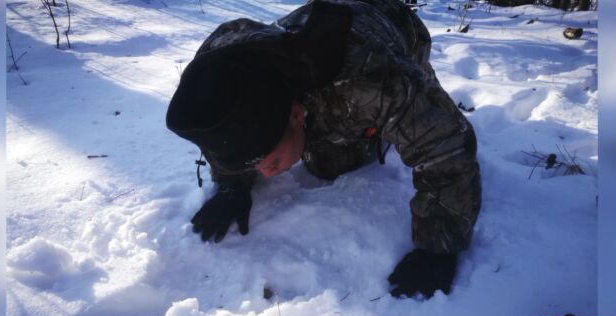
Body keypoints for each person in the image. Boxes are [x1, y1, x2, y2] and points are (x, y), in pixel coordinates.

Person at [166, 0, 482, 299]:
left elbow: (446, 142)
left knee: (402, 116)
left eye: (271, 160)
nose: (266, 173)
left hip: (395, 27)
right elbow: (222, 135)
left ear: (296, 114)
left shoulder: (369, 81)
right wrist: (232, 182)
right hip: (312, 44)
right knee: (327, 162)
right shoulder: (221, 70)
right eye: (256, 164)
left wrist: (438, 243)